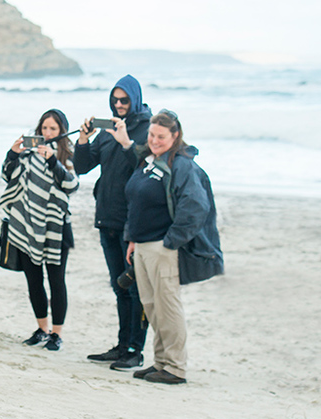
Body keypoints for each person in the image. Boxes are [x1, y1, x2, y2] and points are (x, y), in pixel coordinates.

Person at [124, 109, 222, 385]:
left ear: (175, 135)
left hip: (163, 247)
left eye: (161, 136)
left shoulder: (181, 165)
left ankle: (175, 367)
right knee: (152, 307)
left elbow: (196, 207)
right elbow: (137, 202)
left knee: (168, 307)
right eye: (152, 135)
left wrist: (171, 242)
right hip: (142, 245)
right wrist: (132, 237)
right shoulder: (150, 160)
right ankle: (160, 362)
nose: (154, 140)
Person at [74, 75, 154, 371]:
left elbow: (147, 168)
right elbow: (82, 166)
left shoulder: (148, 129)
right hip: (106, 217)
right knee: (118, 286)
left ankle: (136, 349)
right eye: (114, 100)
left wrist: (127, 143)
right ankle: (122, 344)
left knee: (135, 288)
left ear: (135, 98)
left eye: (124, 100)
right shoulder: (107, 130)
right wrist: (82, 140)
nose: (119, 105)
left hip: (133, 222)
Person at [0, 109, 79, 351]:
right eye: (44, 128)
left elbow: (72, 185)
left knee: (56, 281)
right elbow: (7, 174)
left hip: (56, 228)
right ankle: (41, 329)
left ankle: (57, 333)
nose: (47, 133)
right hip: (27, 225)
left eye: (53, 129)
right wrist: (13, 153)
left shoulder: (69, 154)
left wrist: (52, 159)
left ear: (61, 131)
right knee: (33, 280)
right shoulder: (27, 154)